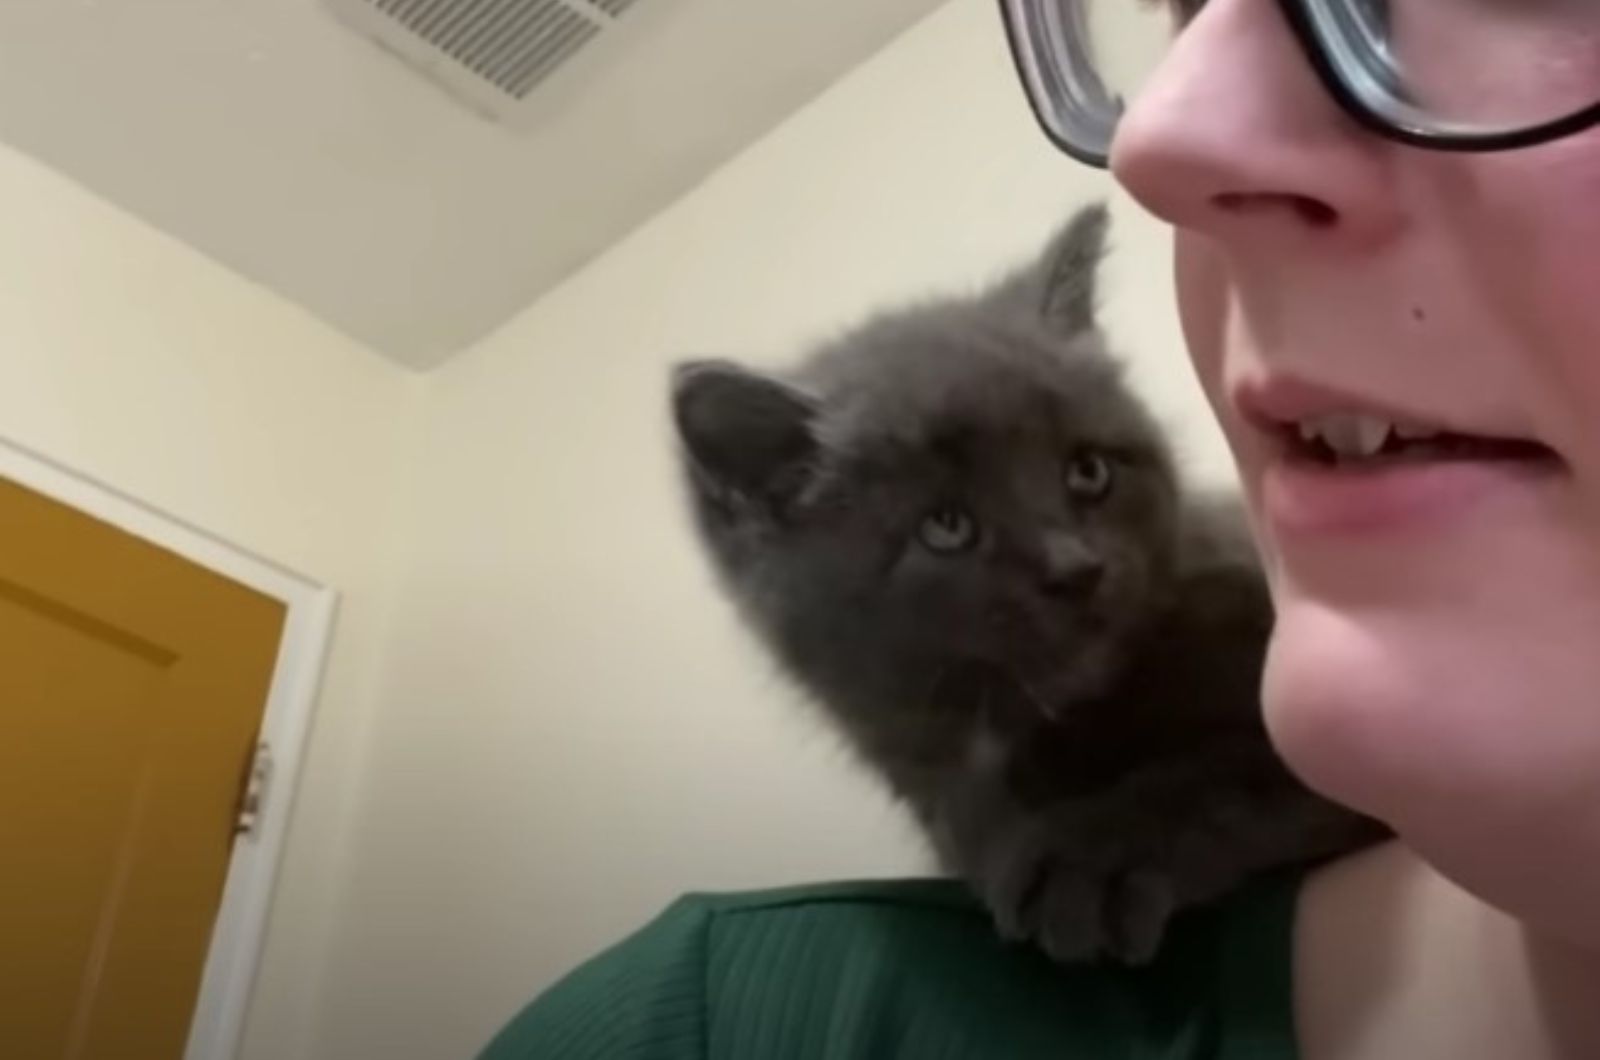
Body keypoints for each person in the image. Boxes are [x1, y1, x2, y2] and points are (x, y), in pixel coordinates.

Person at [478, 1, 1600, 1055]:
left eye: (1086, 472)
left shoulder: (1248, 611)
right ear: (768, 518)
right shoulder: (713, 1015)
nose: (1069, 552)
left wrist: (1179, 825)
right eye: (954, 524)